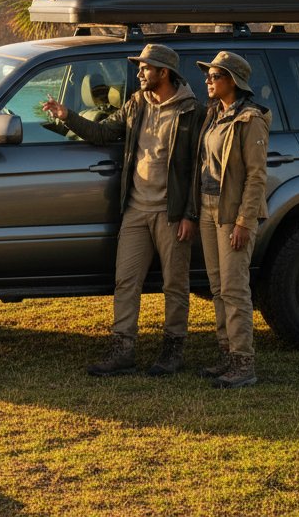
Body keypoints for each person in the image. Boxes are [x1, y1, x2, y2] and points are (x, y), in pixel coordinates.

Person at [41, 44, 204, 377]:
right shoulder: (136, 105)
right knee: (125, 282)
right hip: (136, 209)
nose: (139, 73)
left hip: (171, 213)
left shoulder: (191, 112)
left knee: (175, 284)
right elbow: (102, 132)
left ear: (164, 73)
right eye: (140, 67)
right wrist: (66, 115)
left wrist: (189, 214)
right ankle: (123, 349)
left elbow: (199, 170)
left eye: (146, 68)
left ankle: (173, 350)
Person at [193, 51, 270, 389]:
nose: (208, 81)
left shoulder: (249, 119)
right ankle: (226, 354)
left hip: (232, 212)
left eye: (214, 76)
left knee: (235, 288)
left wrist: (243, 221)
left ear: (233, 82)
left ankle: (243, 362)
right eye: (208, 76)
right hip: (209, 209)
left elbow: (256, 177)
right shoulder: (215, 114)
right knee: (217, 287)